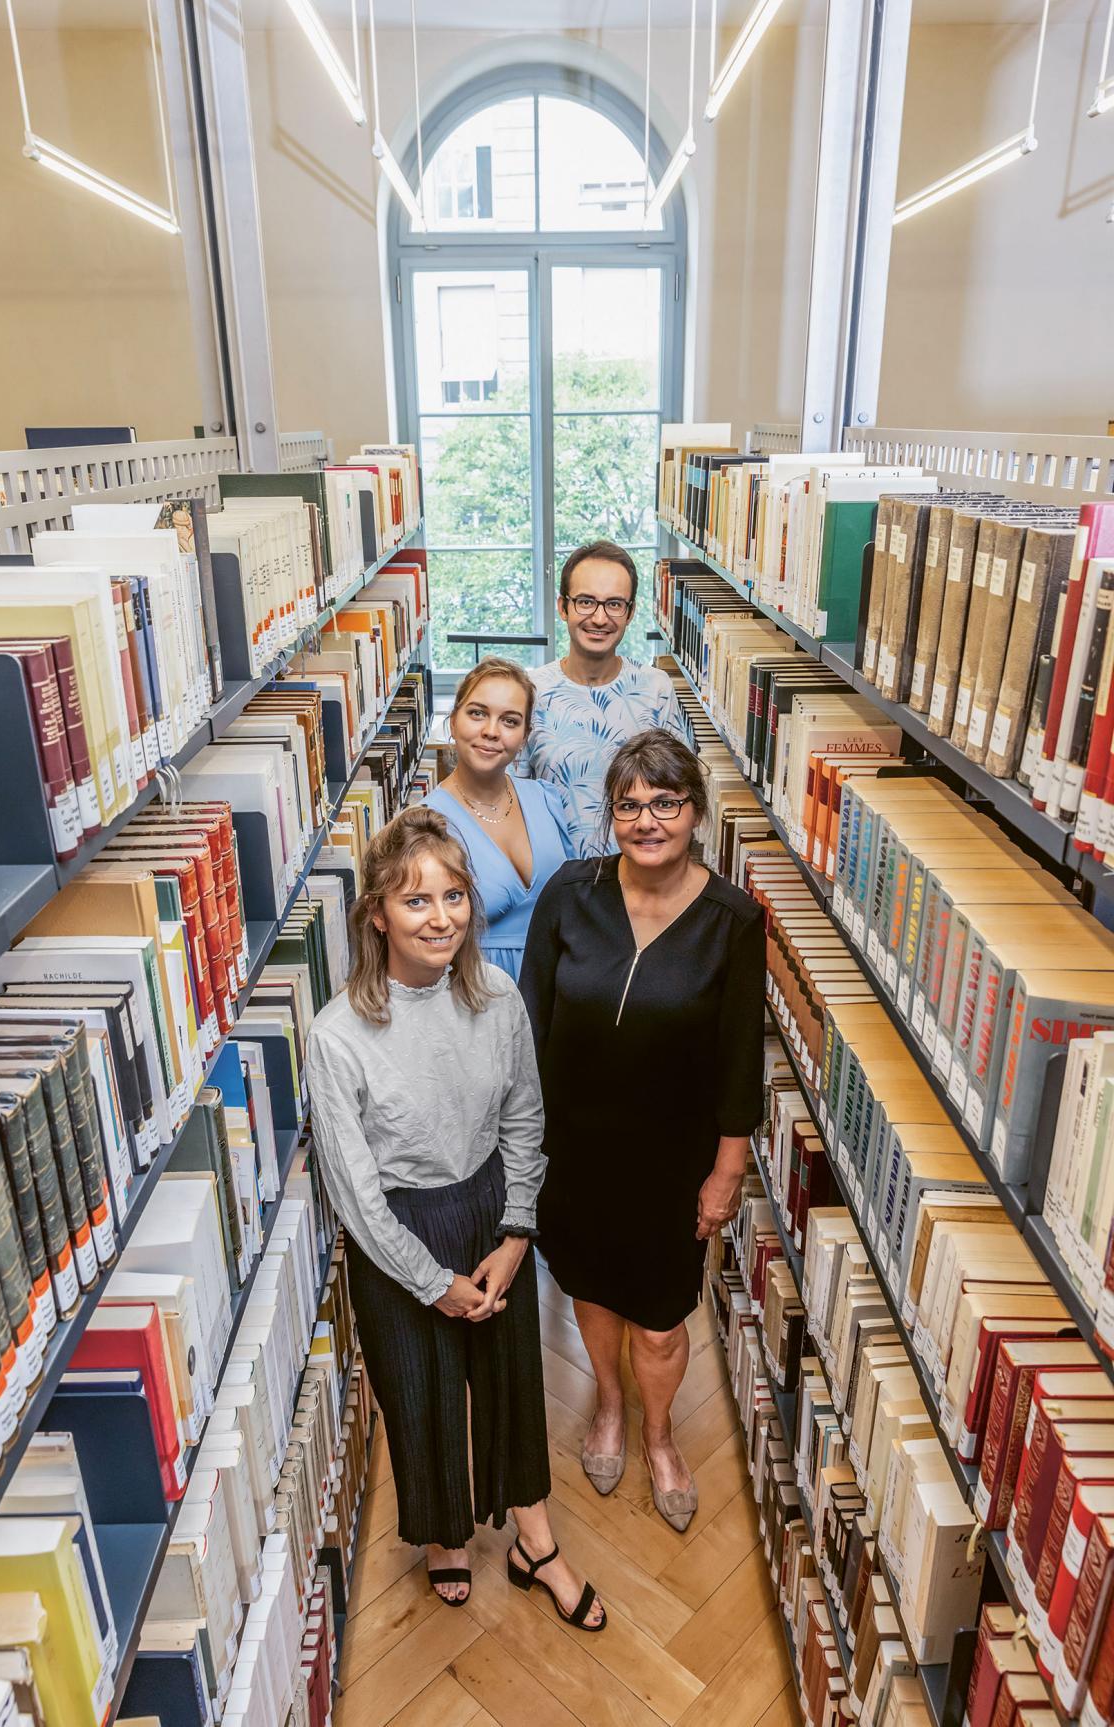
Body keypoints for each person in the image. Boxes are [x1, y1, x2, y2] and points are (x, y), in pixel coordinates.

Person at [305, 806, 605, 1627]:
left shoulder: (496, 995)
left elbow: (524, 1120)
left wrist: (514, 1236)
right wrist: (430, 1281)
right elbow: (355, 1190)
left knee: (511, 1382)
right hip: (397, 1233)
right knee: (419, 1390)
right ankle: (442, 1536)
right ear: (376, 913)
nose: (441, 918)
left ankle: (533, 1539)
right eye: (416, 901)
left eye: (455, 897)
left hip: (486, 1208)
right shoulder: (337, 1035)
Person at [519, 730, 765, 1532]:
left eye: (665, 802)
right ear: (612, 813)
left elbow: (737, 1059)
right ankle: (609, 1406)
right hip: (575, 1151)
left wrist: (727, 1170)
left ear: (695, 811)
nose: (647, 819)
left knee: (659, 1318)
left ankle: (660, 1435)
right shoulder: (569, 892)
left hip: (671, 1159)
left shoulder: (732, 920)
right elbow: (530, 1018)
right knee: (590, 1289)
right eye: (629, 804)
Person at [515, 540, 693, 857]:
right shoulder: (529, 692)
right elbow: (512, 796)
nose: (599, 619)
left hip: (643, 877)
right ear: (562, 606)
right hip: (556, 882)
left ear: (631, 612)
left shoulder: (656, 689)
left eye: (614, 604)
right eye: (585, 602)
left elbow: (681, 796)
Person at [424, 657, 573, 980]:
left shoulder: (545, 799)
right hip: (474, 994)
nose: (491, 732)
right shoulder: (426, 824)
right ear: (453, 722)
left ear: (524, 736)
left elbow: (575, 903)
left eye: (510, 721)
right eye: (477, 713)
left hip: (557, 991)